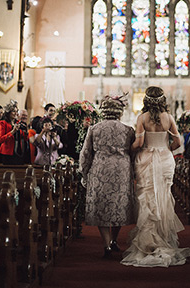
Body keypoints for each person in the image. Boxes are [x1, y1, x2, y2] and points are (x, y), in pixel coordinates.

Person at [121, 86, 190, 268]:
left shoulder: (142, 118)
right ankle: (163, 237)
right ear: (163, 100)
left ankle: (148, 241)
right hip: (164, 159)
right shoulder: (169, 118)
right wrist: (165, 150)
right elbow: (178, 142)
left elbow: (138, 142)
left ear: (146, 100)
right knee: (163, 196)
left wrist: (128, 151)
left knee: (147, 197)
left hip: (146, 158)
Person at [79, 94, 135, 258]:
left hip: (100, 169)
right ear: (119, 112)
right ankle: (114, 240)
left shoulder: (94, 129)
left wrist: (84, 172)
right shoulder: (128, 130)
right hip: (122, 169)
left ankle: (107, 244)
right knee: (118, 205)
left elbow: (86, 153)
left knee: (102, 205)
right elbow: (134, 153)